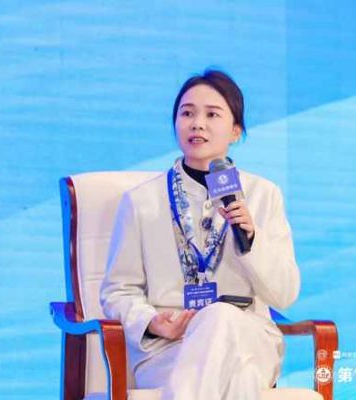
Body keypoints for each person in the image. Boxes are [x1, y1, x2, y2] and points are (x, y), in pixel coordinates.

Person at [100, 69, 300, 400]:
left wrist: (251, 240)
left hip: (250, 337)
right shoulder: (141, 201)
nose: (197, 124)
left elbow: (285, 294)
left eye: (212, 114)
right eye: (187, 113)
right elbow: (118, 290)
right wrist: (152, 322)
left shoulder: (263, 195)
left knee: (221, 318)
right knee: (240, 376)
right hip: (171, 346)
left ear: (235, 130)